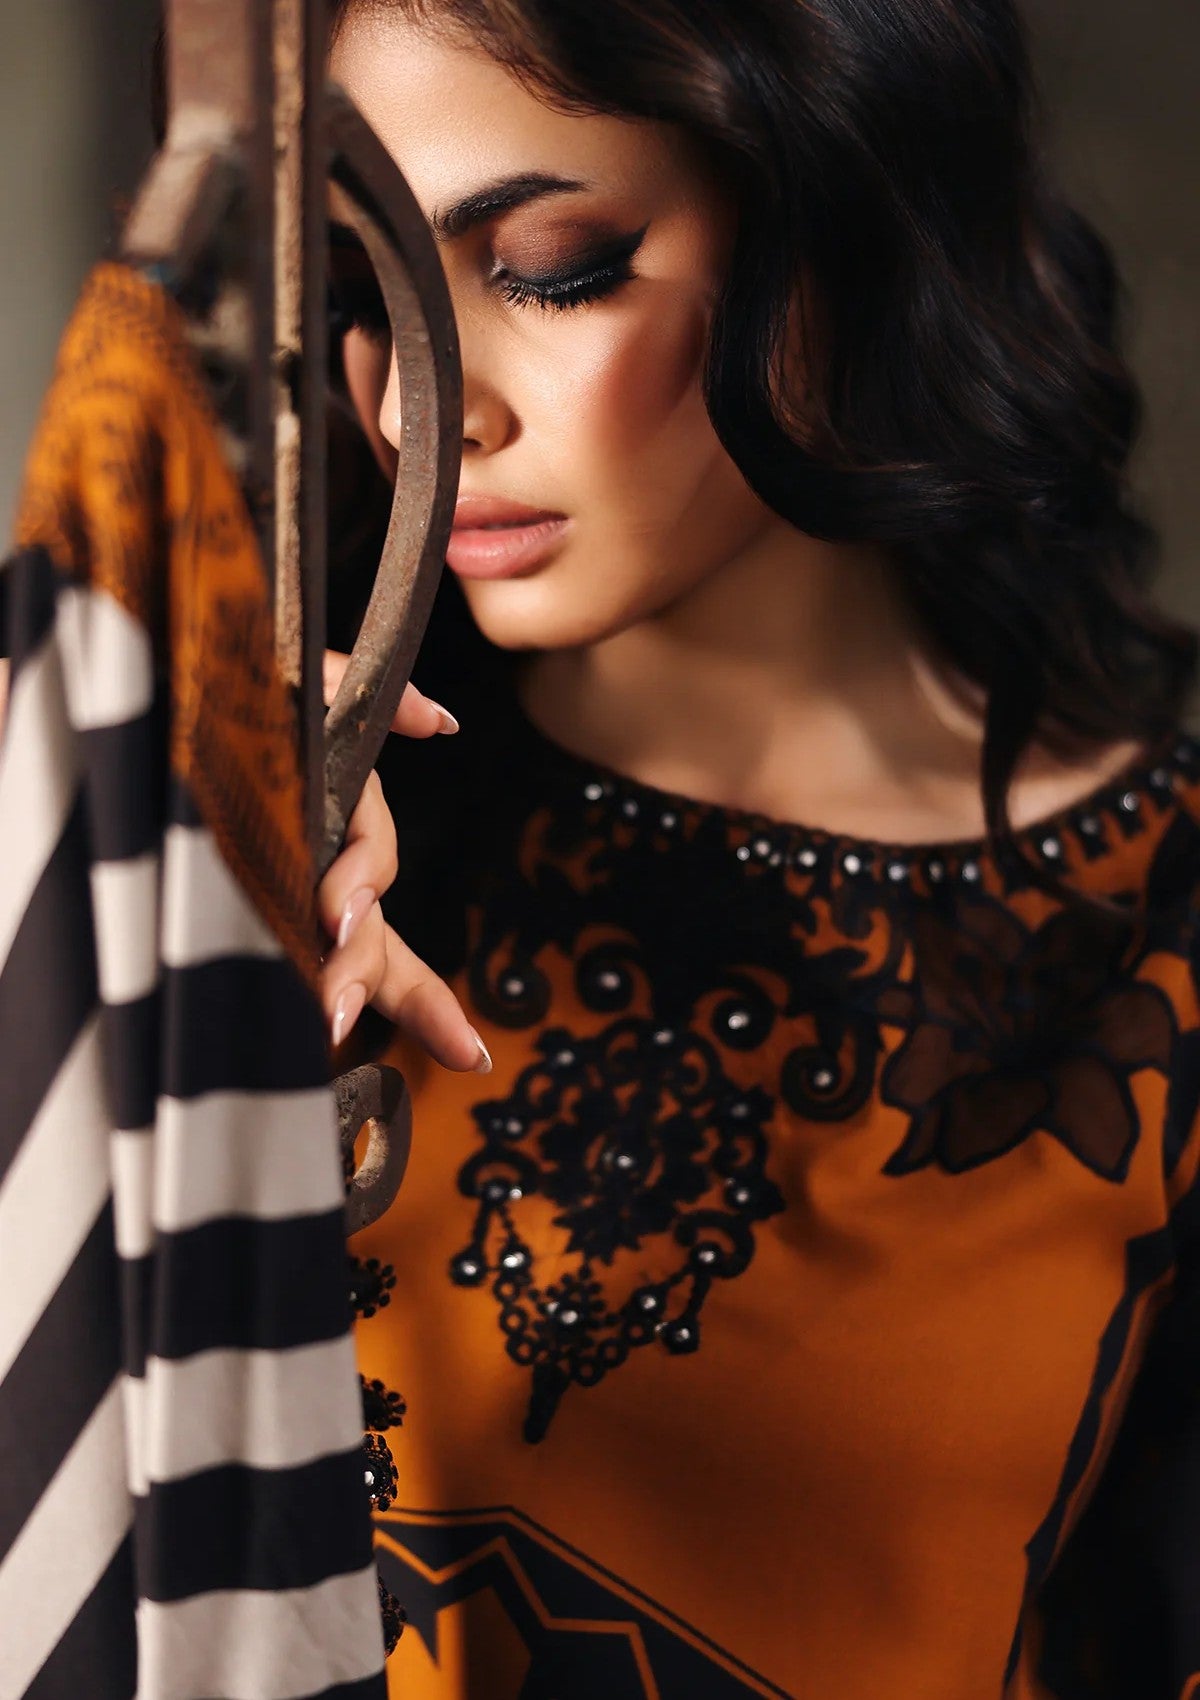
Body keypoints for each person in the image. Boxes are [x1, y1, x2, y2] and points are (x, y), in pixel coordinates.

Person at [310, 1, 1200, 1694]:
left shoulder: (1162, 940)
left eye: (552, 268)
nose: (430, 408)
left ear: (846, 228)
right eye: (366, 293)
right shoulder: (275, 813)